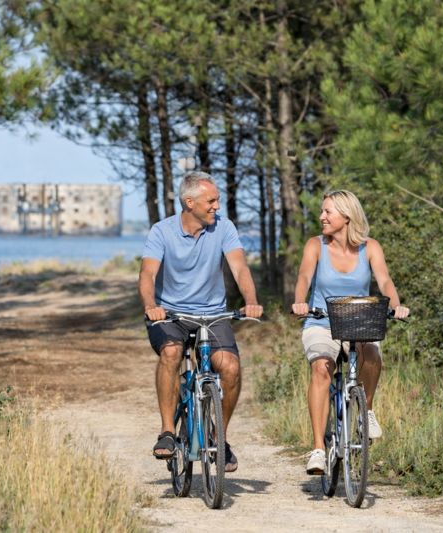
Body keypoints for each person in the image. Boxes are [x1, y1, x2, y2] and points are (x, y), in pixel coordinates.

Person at [139, 171, 263, 473]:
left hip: (212, 313)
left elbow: (240, 268)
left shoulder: (224, 228)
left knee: (230, 367)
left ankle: (218, 437)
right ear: (189, 202)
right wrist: (151, 306)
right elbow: (147, 275)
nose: (216, 206)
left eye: (218, 200)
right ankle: (168, 431)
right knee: (171, 353)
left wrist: (250, 301)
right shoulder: (162, 231)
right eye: (211, 200)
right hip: (171, 314)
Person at [291, 190, 409, 475]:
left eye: (328, 212)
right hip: (321, 322)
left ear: (346, 216)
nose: (322, 217)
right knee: (322, 368)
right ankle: (318, 448)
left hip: (359, 322)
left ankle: (365, 412)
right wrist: (300, 301)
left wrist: (396, 305)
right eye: (322, 211)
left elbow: (384, 280)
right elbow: (304, 277)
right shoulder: (315, 245)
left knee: (371, 353)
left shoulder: (370, 247)